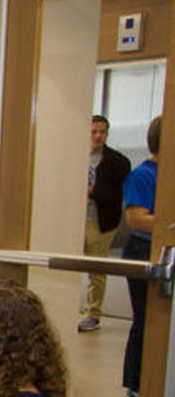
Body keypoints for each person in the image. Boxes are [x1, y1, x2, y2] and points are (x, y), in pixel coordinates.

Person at [79, 115, 131, 333]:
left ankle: (93, 314)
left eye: (102, 131)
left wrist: (93, 191)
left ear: (107, 134)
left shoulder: (118, 162)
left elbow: (119, 193)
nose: (98, 135)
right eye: (94, 131)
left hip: (101, 222)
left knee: (96, 270)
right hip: (75, 220)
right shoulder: (76, 156)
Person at [121, 115, 160, 397]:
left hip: (161, 250)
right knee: (145, 319)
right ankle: (136, 384)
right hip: (142, 251)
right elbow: (135, 219)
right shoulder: (144, 175)